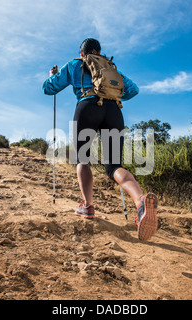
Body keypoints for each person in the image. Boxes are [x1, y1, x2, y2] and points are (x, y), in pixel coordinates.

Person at [42, 38, 158, 241]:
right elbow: (133, 90)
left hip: (87, 106)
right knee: (113, 166)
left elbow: (49, 88)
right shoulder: (110, 67)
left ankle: (87, 207)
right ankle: (140, 202)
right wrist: (112, 95)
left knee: (82, 159)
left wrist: (51, 76)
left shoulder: (75, 64)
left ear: (82, 52)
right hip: (113, 110)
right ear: (98, 51)